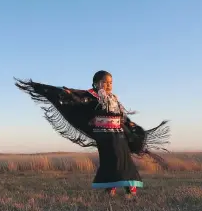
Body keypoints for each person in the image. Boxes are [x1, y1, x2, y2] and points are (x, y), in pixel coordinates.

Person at [15, 70, 170, 198]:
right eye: (105, 82)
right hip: (104, 134)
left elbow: (121, 115)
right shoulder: (92, 95)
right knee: (111, 158)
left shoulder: (114, 99)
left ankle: (130, 188)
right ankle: (111, 187)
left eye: (110, 82)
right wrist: (68, 93)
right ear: (96, 84)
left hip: (119, 133)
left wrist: (129, 124)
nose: (108, 85)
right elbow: (78, 97)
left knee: (124, 157)